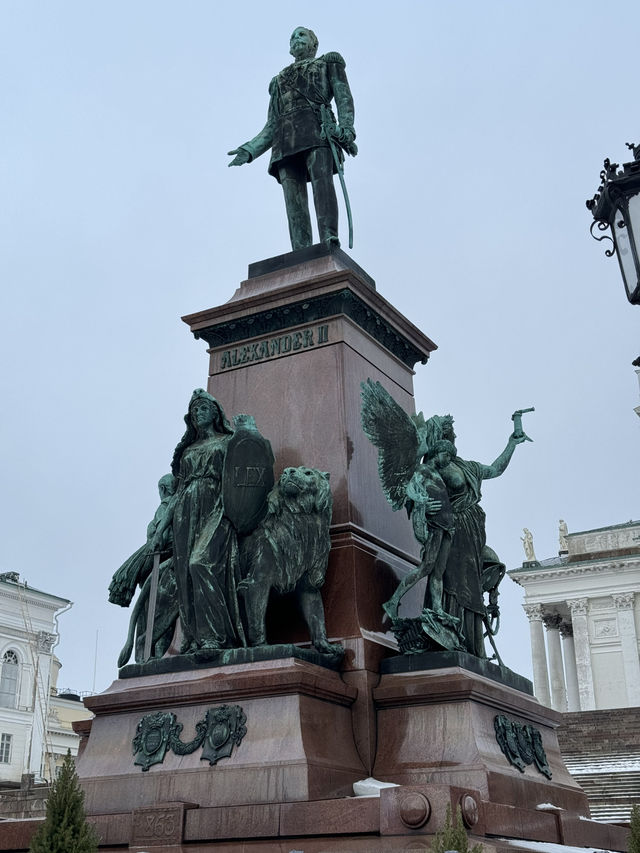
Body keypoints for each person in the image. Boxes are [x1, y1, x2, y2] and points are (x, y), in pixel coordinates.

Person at [228, 27, 357, 250]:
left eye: (301, 35)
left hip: (317, 131)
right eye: (292, 37)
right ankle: (301, 250)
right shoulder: (279, 81)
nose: (295, 39)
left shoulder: (327, 63)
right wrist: (249, 150)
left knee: (322, 186)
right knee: (293, 202)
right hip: (285, 142)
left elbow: (343, 98)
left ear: (313, 44)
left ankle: (329, 239)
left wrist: (346, 129)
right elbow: (272, 125)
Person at [150, 389, 245, 653]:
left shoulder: (228, 442)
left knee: (199, 564)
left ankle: (216, 635)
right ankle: (194, 637)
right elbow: (179, 492)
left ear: (215, 413)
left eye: (203, 408)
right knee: (185, 577)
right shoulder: (188, 450)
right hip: (185, 514)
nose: (198, 413)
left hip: (217, 508)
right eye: (194, 411)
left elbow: (244, 475)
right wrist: (162, 529)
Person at [427, 415, 526, 657]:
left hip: (473, 529)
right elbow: (420, 491)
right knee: (457, 580)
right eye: (452, 432)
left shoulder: (468, 467)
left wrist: (511, 444)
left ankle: (473, 645)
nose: (456, 436)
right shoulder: (433, 466)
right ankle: (457, 635)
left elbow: (495, 469)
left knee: (473, 579)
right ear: (442, 436)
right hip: (454, 527)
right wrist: (423, 507)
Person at [382, 440, 456, 620]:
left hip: (447, 527)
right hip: (435, 525)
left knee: (438, 572)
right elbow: (411, 490)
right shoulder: (422, 470)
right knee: (426, 567)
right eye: (447, 455)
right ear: (438, 452)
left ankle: (438, 610)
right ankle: (393, 601)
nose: (448, 460)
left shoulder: (437, 474)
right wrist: (421, 504)